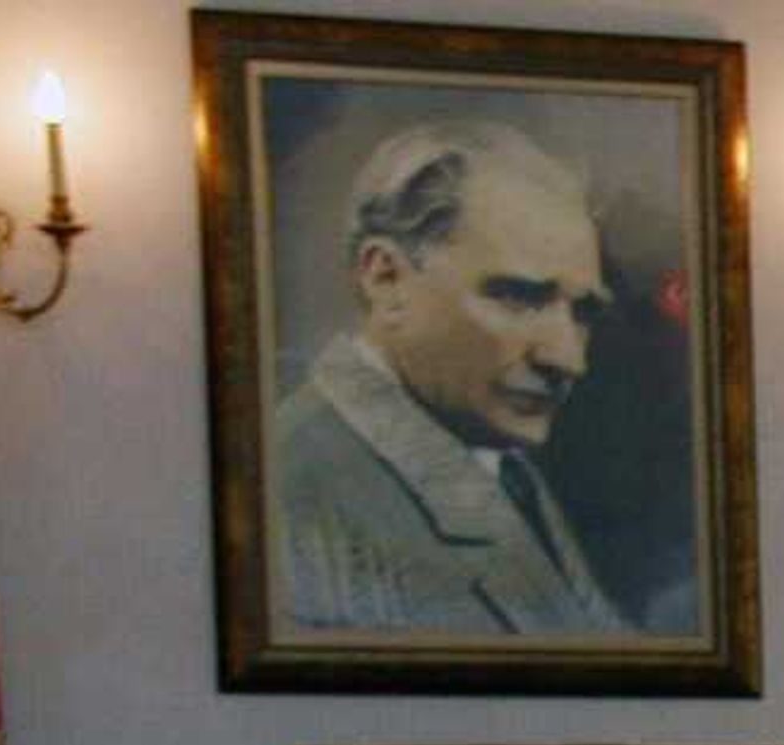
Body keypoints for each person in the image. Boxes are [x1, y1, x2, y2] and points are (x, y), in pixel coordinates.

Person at [269, 118, 629, 634]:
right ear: (385, 278)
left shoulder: (501, 466)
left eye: (582, 313)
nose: (569, 360)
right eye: (519, 297)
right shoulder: (292, 496)